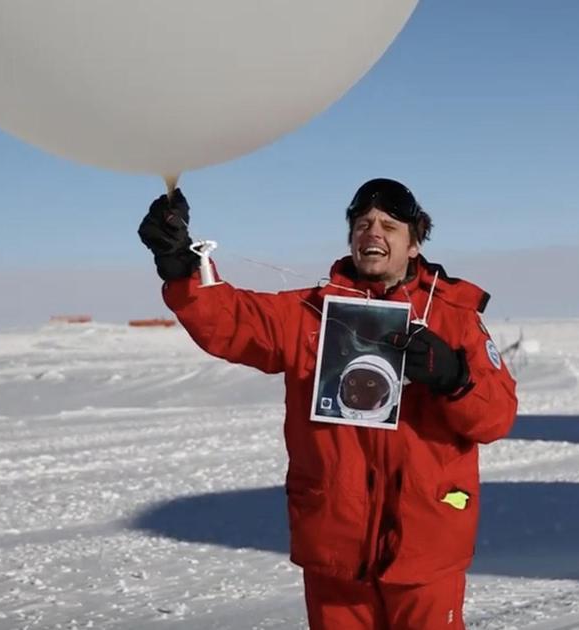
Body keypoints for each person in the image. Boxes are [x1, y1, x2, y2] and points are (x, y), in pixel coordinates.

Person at [138, 178, 518, 629]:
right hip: (336, 550)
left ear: (414, 244)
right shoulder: (314, 314)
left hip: (427, 548)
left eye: (389, 226)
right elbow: (231, 320)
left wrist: (454, 379)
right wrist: (179, 263)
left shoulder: (455, 319)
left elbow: (496, 418)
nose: (372, 233)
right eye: (362, 224)